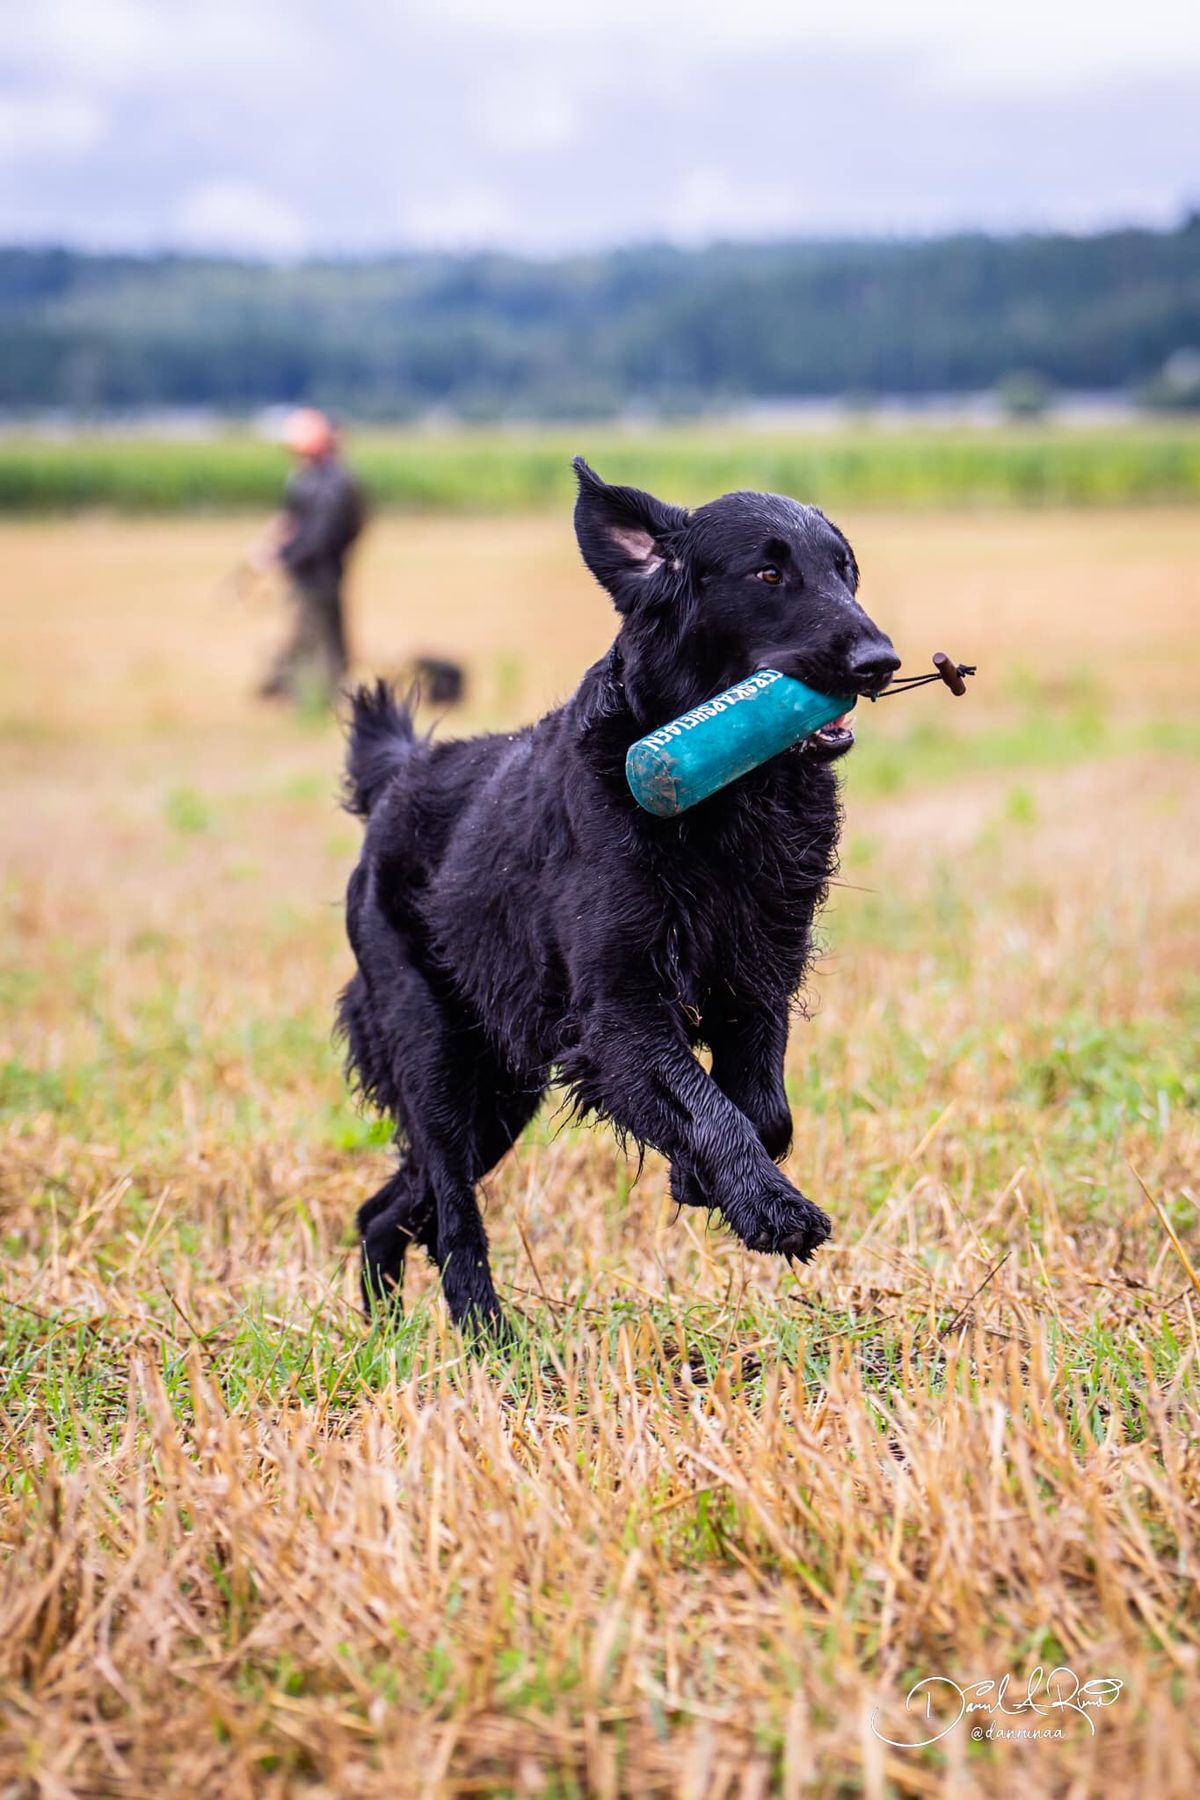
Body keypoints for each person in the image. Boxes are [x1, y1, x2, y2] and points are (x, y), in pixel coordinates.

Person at [254, 408, 366, 703]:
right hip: (320, 567)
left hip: (319, 569)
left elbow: (320, 533)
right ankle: (308, 688)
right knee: (320, 629)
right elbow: (297, 520)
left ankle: (315, 693)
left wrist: (287, 556)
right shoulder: (317, 478)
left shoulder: (329, 482)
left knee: (316, 632)